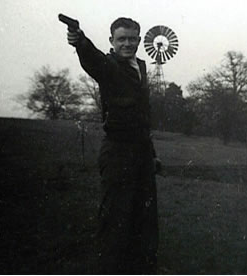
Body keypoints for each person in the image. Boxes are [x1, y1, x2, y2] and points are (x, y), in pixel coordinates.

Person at [66, 17, 160, 274]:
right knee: (115, 220)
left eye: (132, 39)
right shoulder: (109, 66)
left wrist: (151, 155)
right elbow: (92, 59)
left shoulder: (140, 66)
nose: (127, 44)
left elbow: (143, 117)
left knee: (143, 219)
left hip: (141, 154)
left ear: (139, 41)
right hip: (118, 153)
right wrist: (80, 42)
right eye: (121, 39)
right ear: (112, 42)